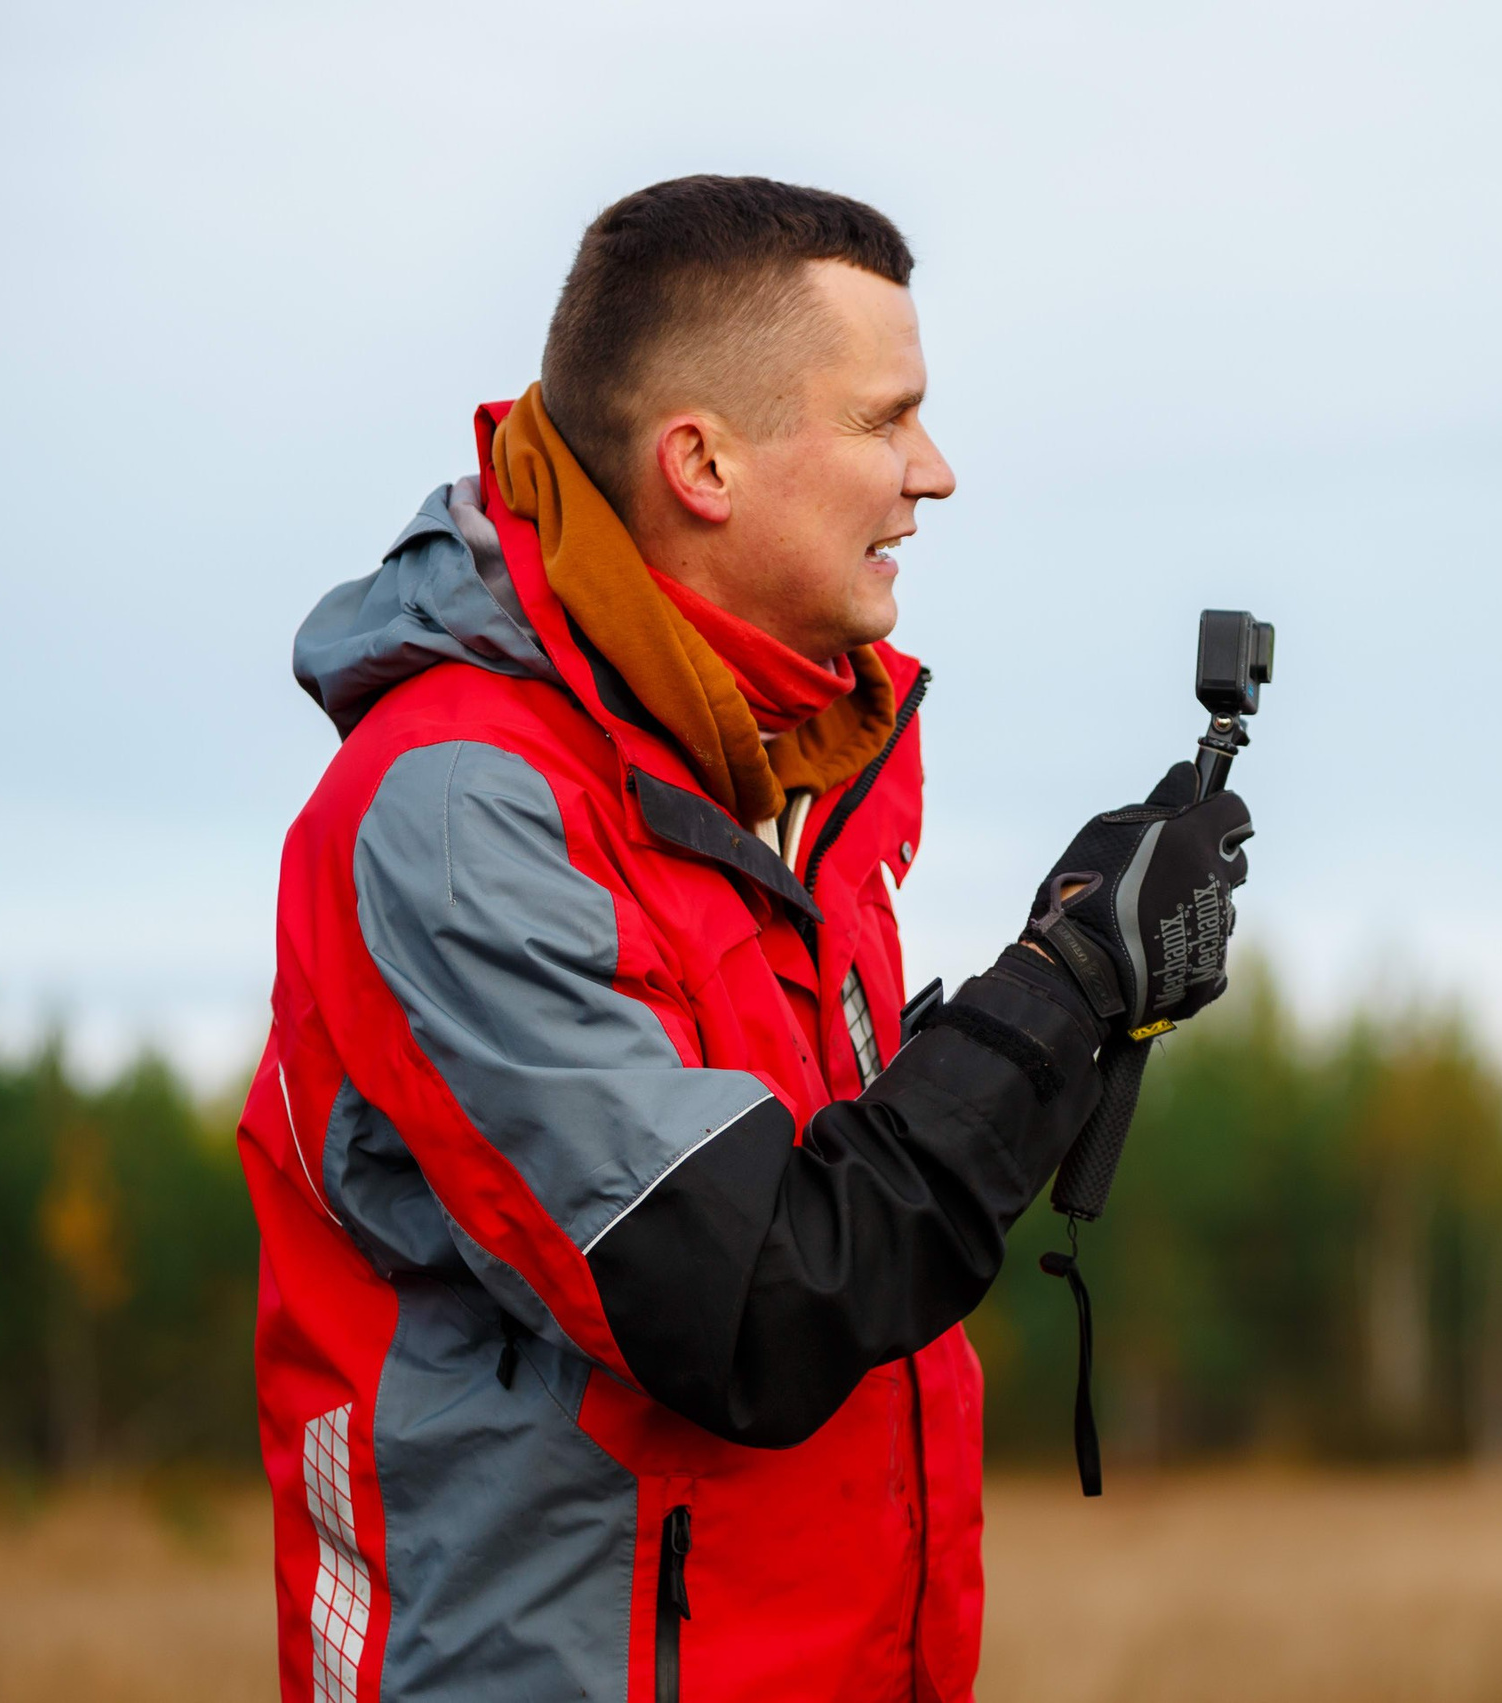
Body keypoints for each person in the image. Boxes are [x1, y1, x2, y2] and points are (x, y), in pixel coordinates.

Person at [235, 175, 1255, 1703]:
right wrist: (1066, 987)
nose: (935, 474)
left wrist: (1073, 979)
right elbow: (755, 1300)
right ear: (702, 462)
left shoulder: (786, 772)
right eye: (886, 420)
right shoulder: (463, 812)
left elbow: (838, 1177)